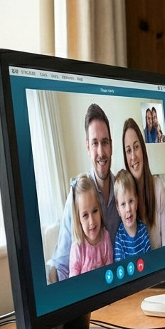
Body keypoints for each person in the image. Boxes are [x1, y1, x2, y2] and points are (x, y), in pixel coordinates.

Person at [50, 103, 120, 281]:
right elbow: (62, 265)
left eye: (105, 142)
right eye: (95, 143)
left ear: (111, 146)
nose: (101, 152)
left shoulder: (121, 192)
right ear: (88, 147)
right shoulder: (77, 195)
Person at [123, 118, 165, 248]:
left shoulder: (157, 187)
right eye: (128, 150)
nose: (133, 156)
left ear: (143, 149)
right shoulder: (124, 195)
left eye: (136, 147)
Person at [68, 173, 113, 277]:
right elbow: (74, 283)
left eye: (95, 211)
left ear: (100, 209)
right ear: (78, 219)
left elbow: (110, 271)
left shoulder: (105, 237)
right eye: (85, 215)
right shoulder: (77, 247)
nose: (92, 221)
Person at [112, 169, 151, 261]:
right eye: (123, 204)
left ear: (137, 202)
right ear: (118, 209)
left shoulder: (143, 230)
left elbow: (150, 260)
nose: (128, 209)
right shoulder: (119, 239)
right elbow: (120, 269)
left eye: (131, 201)